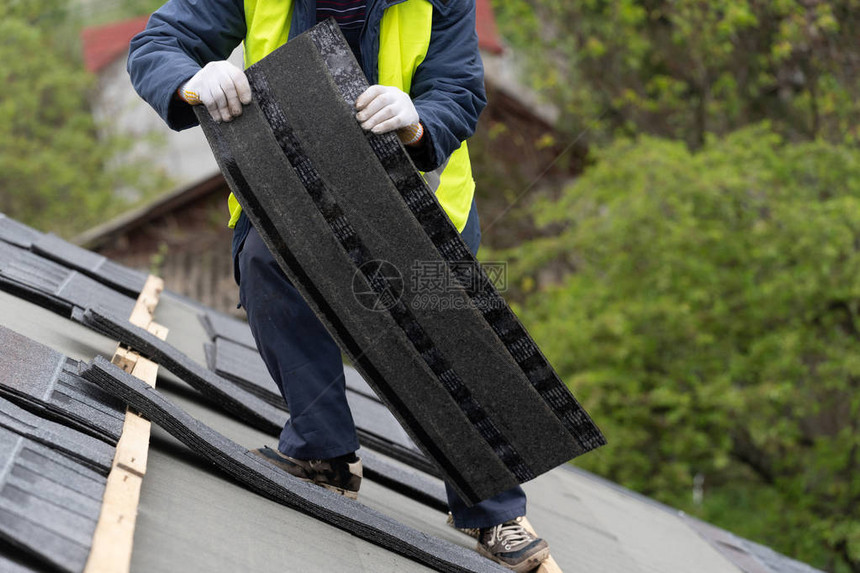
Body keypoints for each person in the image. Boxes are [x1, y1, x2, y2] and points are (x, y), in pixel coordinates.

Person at [128, 0, 549, 570]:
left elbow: (458, 88)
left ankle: (494, 509)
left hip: (417, 191)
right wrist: (188, 81)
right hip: (291, 173)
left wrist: (417, 120)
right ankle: (323, 453)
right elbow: (157, 44)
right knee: (265, 263)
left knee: (448, 343)